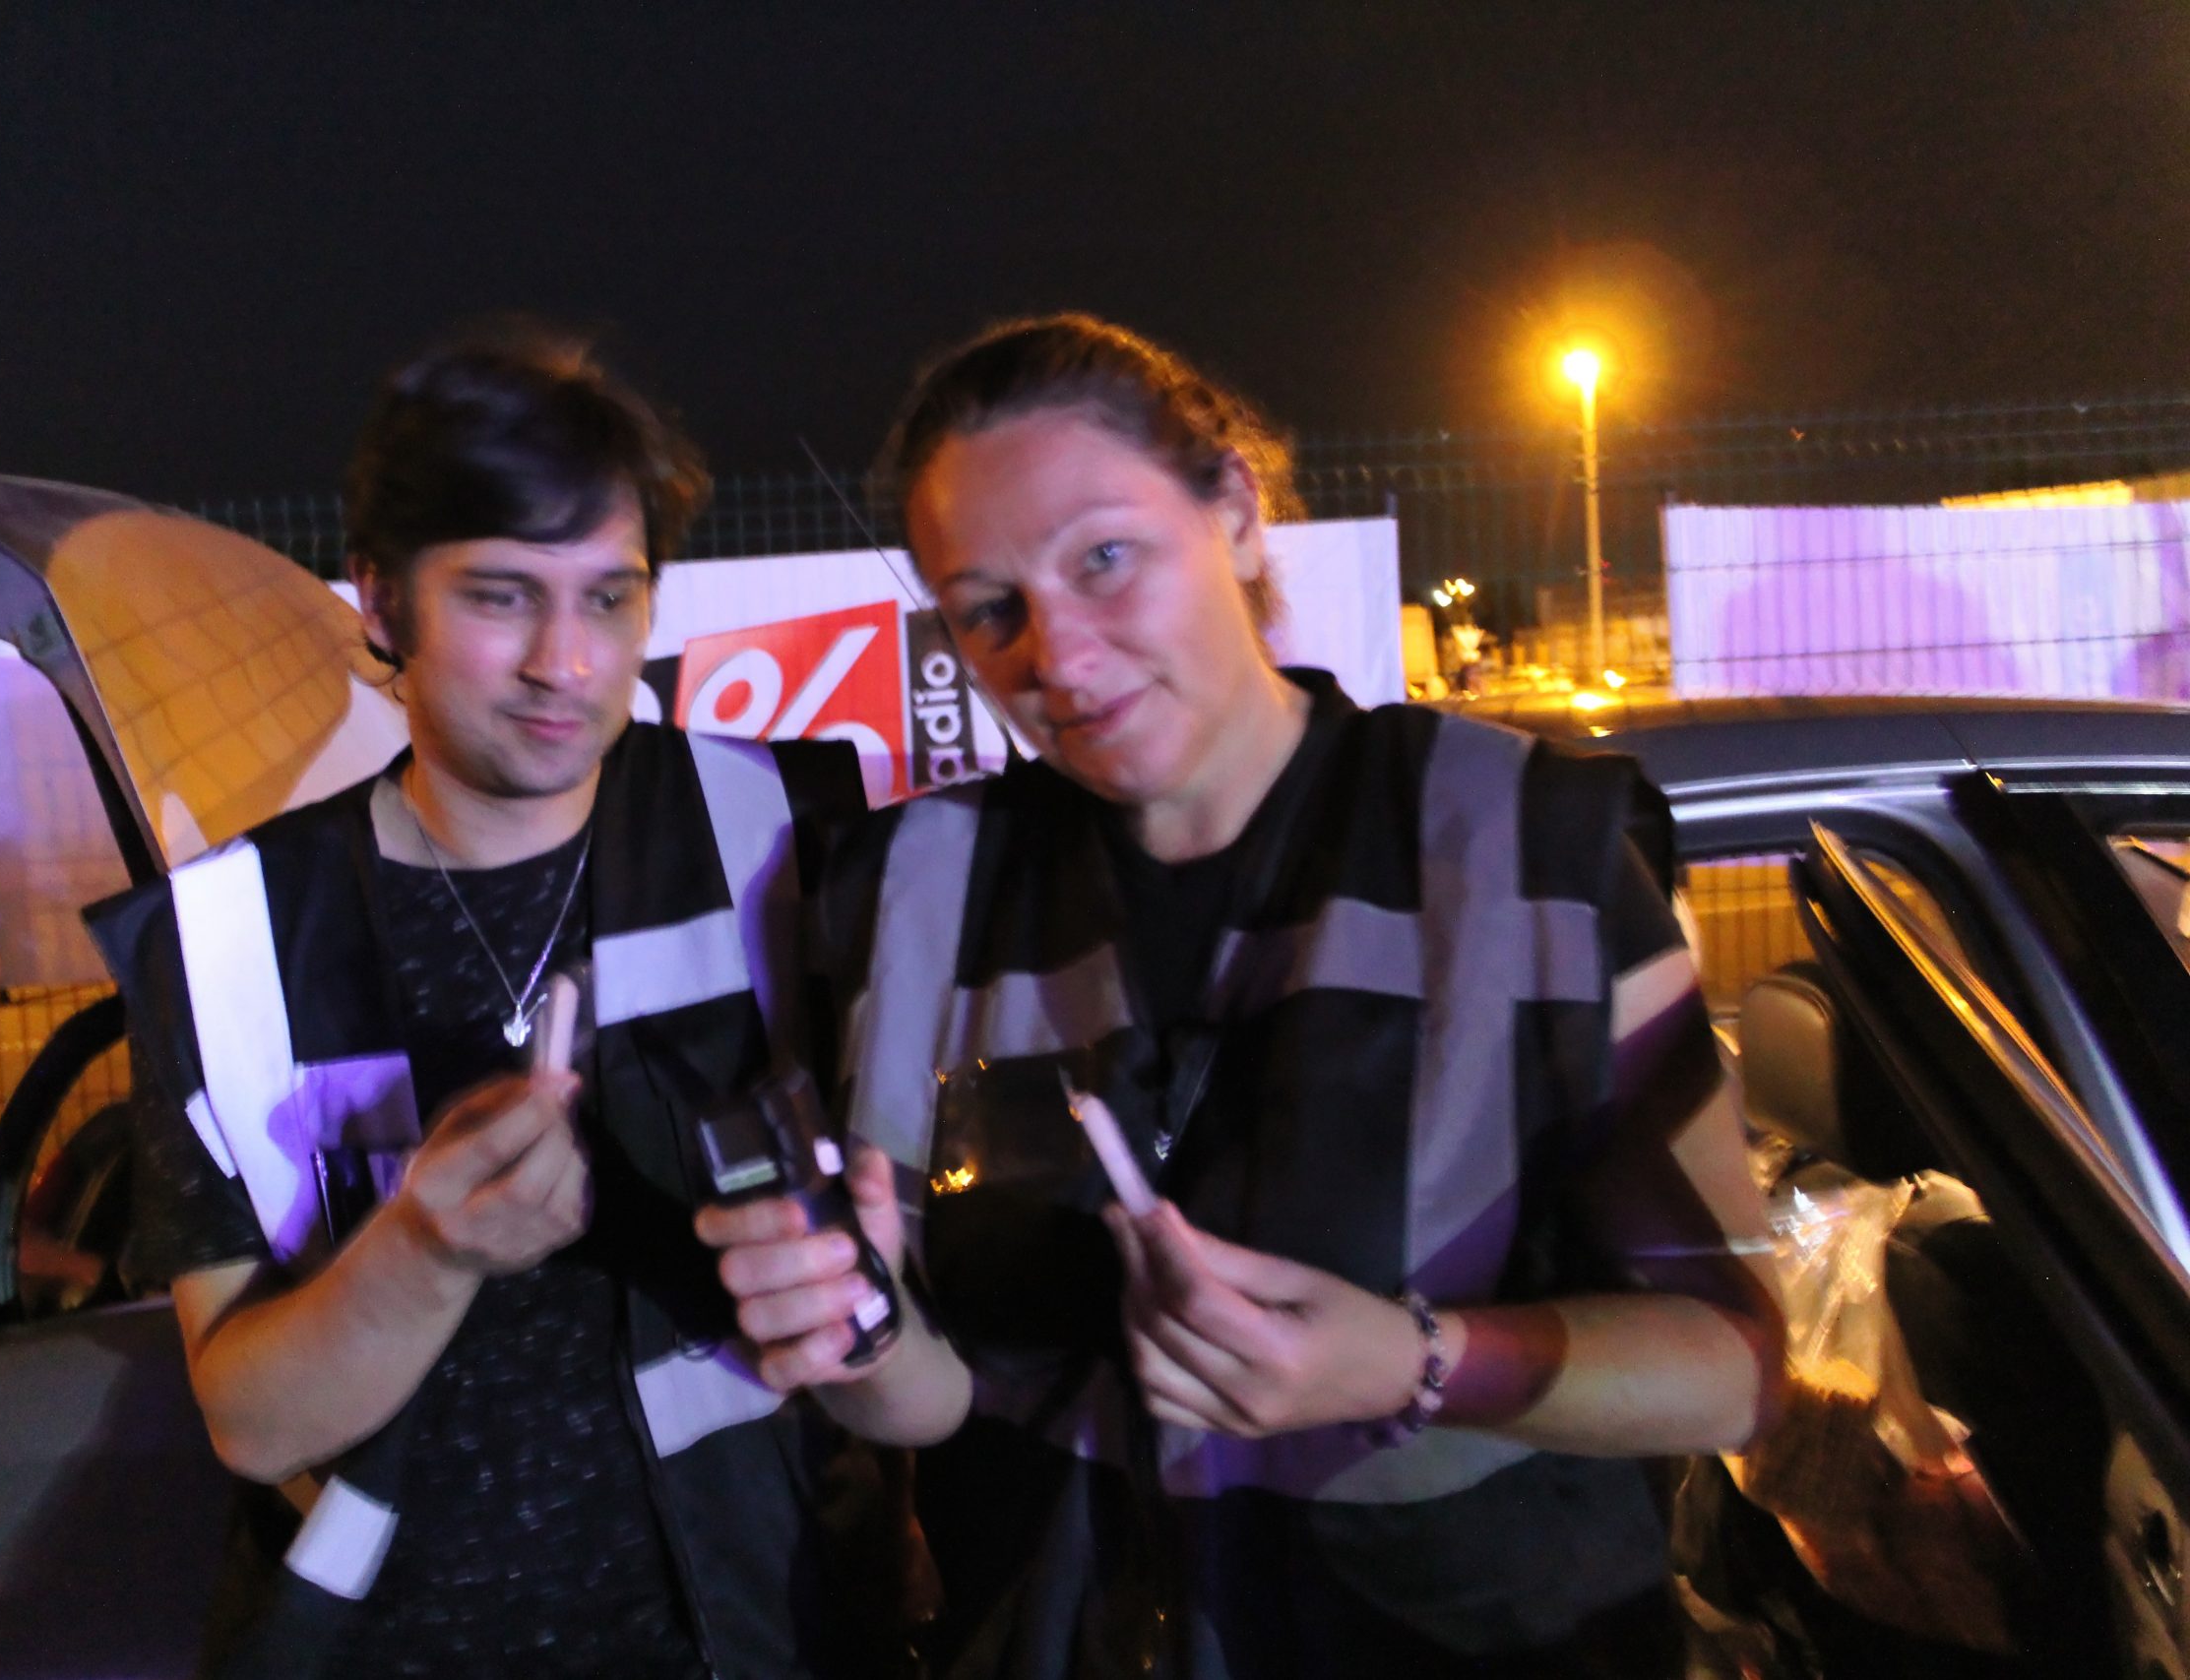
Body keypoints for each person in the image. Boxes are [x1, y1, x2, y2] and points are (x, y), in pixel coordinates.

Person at [698, 315, 1785, 1678]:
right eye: (988, 608)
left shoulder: (1524, 846)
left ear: (1236, 511)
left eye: (1105, 558)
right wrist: (854, 1331)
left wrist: (1412, 1362)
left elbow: (1735, 1365)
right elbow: (934, 1399)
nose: (1058, 654)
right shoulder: (916, 890)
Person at [88, 323, 906, 1678]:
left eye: (609, 597)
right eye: (502, 595)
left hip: (759, 1636)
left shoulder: (777, 837)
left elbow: (898, 1311)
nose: (565, 662)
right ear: (378, 599)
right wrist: (423, 1252)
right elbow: (250, 1420)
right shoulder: (228, 937)